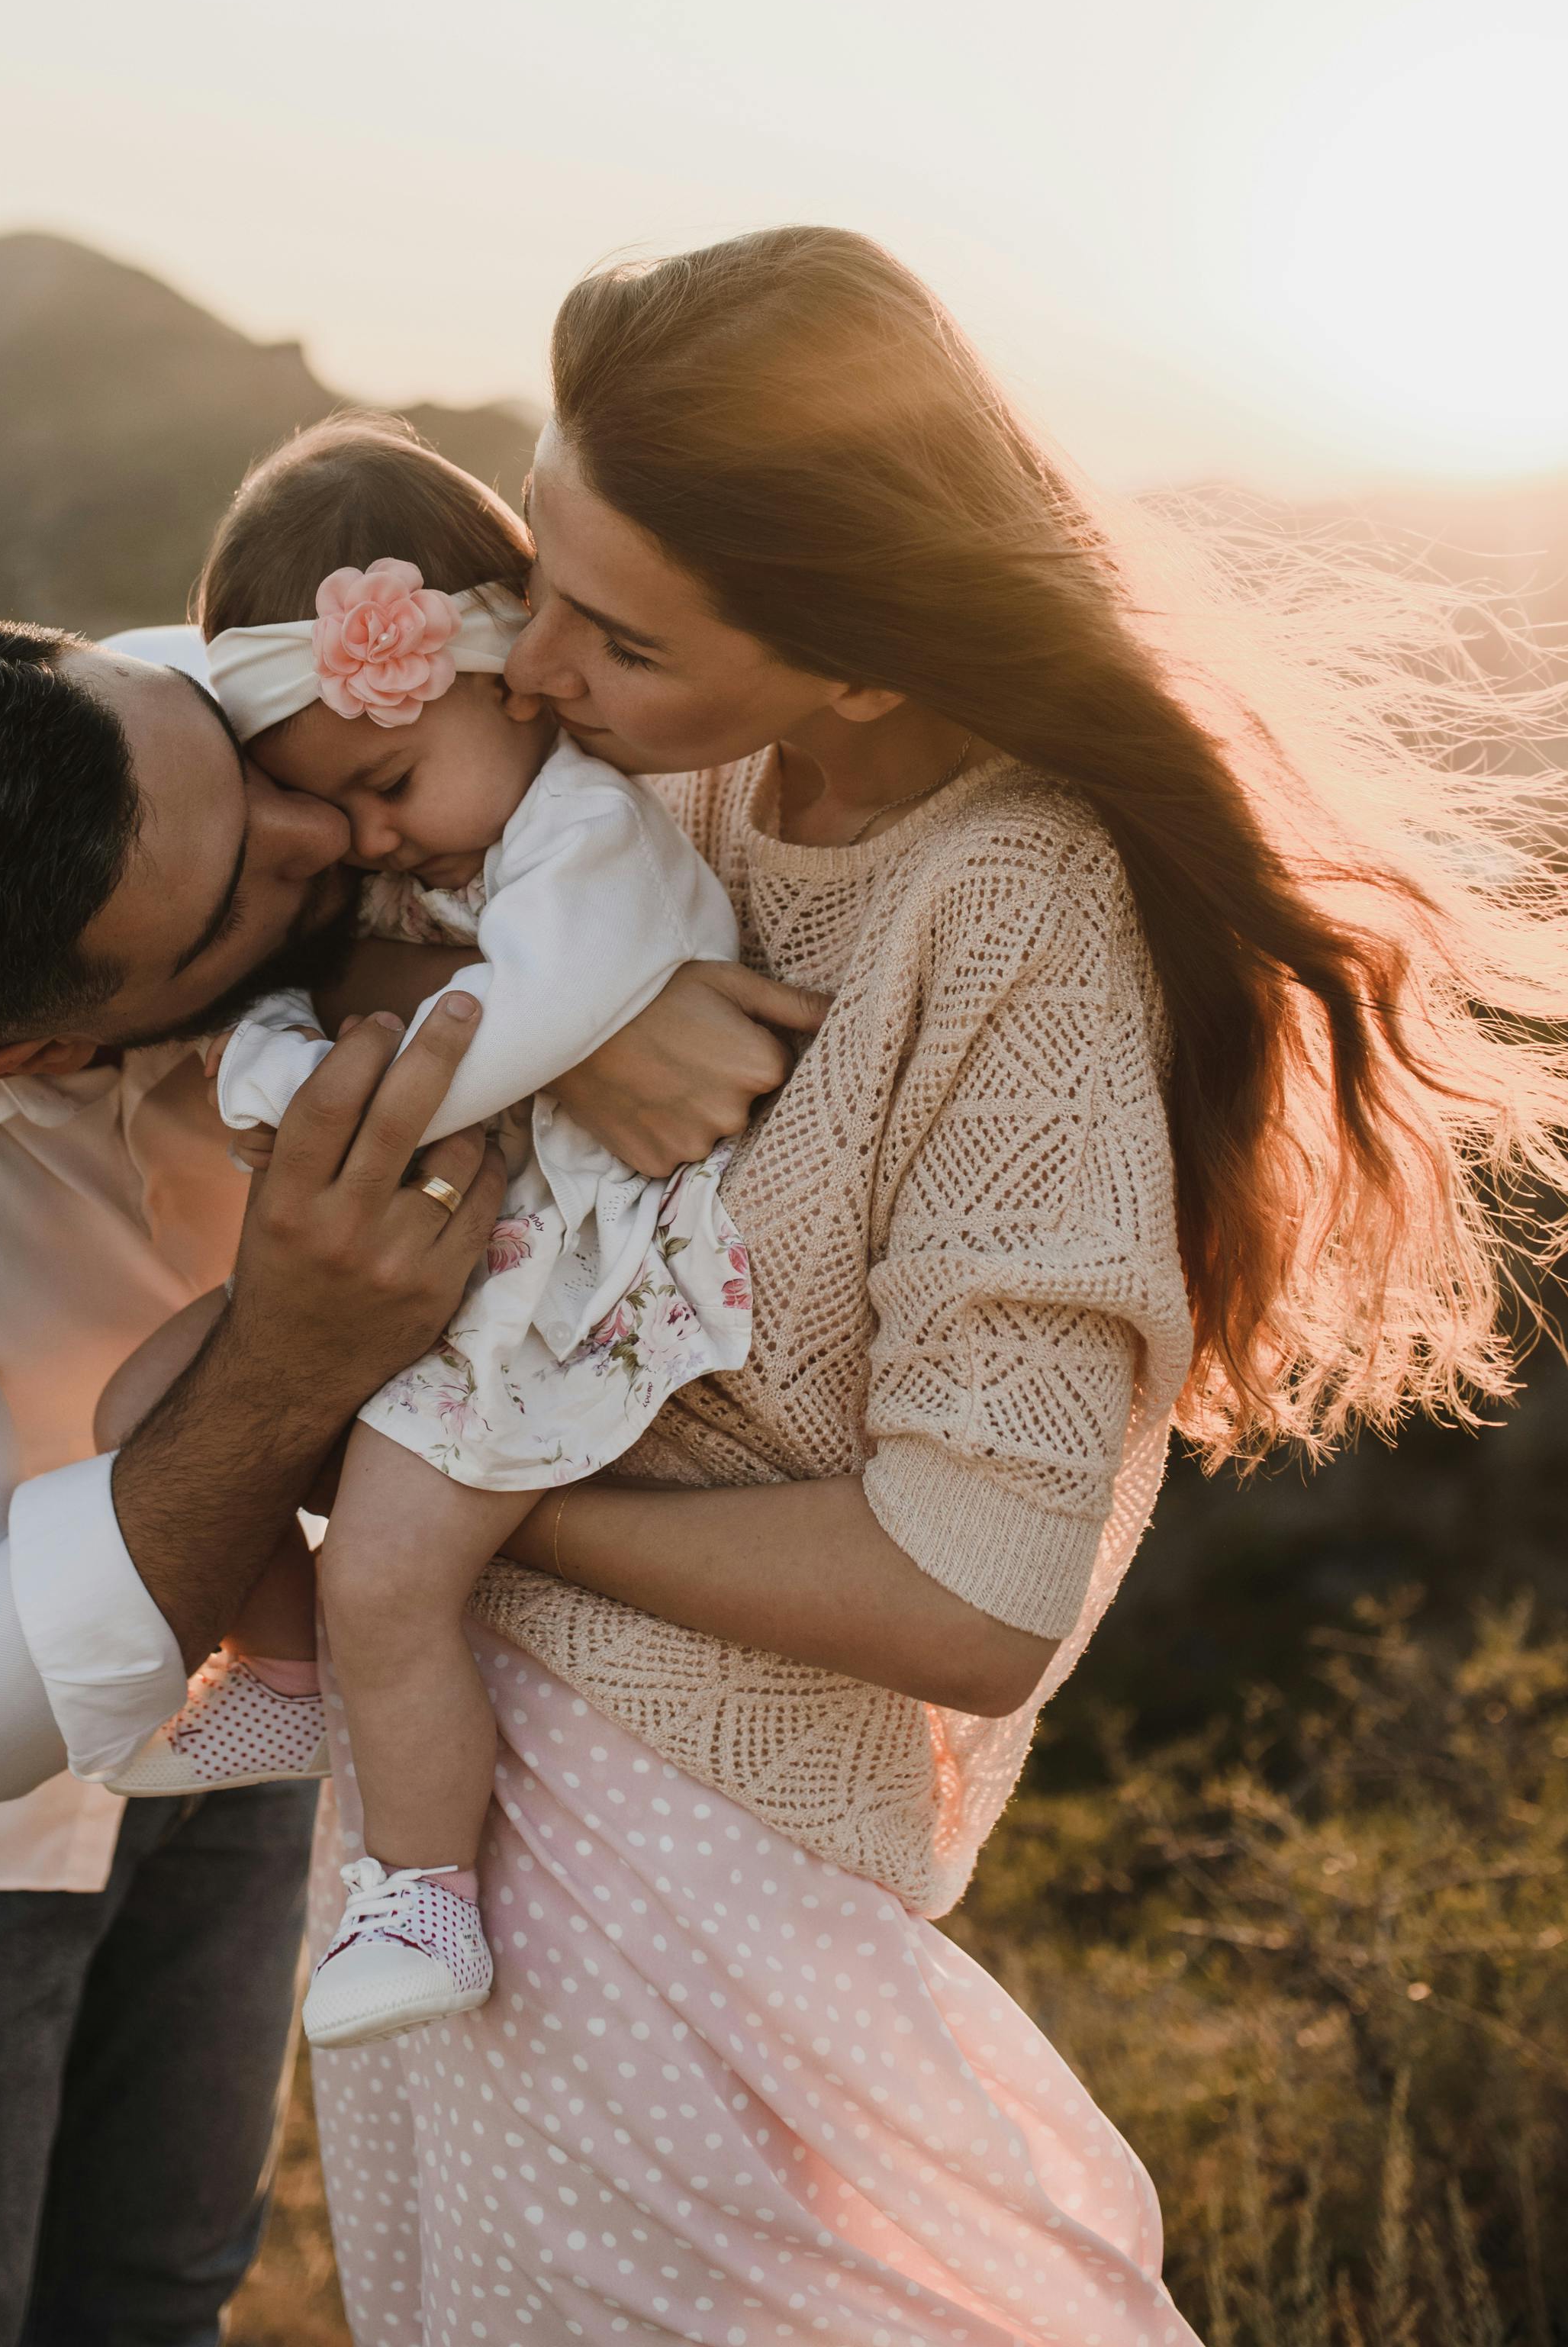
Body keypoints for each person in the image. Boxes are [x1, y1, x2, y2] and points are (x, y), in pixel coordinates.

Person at [301, 227, 1568, 2347]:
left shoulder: (1013, 926)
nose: (528, 681)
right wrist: (556, 1018)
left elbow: (962, 1597)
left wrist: (472, 1502)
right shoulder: (668, 776)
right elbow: (334, 886)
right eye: (542, 588)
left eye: (611, 638)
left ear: (858, 658)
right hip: (449, 1834)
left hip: (686, 1885)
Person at [0, 617, 815, 2345]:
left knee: (166, 2273)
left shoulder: (200, 712)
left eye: (228, 744)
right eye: (238, 892)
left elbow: (449, 851)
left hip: (269, 1624)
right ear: (35, 1047)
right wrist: (285, 1358)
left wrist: (552, 1004)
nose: (324, 830)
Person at [97, 421, 759, 2053]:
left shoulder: (586, 842)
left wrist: (267, 1065)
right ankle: (281, 1669)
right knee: (144, 1414)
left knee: (392, 1566)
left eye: (387, 786)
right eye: (337, 804)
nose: (375, 840)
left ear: (508, 683)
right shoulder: (452, 834)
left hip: (558, 1279)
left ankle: (421, 1889)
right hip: (454, 1248)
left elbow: (494, 1037)